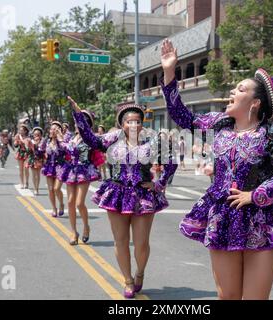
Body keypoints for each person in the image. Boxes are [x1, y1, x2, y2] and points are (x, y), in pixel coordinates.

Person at [160, 39, 273, 300]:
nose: (232, 92)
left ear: (255, 103)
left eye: (239, 89)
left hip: (264, 218)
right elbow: (183, 116)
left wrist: (257, 194)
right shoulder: (220, 125)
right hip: (223, 215)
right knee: (227, 297)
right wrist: (170, 72)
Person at [67, 95, 177, 299]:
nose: (133, 124)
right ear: (122, 123)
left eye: (137, 121)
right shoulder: (112, 139)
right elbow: (91, 139)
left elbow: (172, 160)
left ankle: (140, 272)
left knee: (142, 242)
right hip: (117, 193)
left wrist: (159, 184)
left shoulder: (152, 141)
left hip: (143, 195)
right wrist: (78, 115)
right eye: (129, 121)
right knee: (121, 241)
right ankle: (127, 280)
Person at [59, 112, 101, 245]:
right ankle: (73, 231)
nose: (77, 125)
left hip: (85, 170)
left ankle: (86, 226)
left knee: (79, 203)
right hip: (71, 170)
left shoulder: (90, 138)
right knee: (70, 201)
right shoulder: (72, 137)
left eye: (81, 122)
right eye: (76, 122)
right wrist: (60, 140)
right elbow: (67, 149)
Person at [41, 121, 66, 217]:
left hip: (60, 167)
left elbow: (66, 150)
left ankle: (61, 204)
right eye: (51, 129)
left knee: (56, 188)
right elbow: (39, 150)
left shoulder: (62, 141)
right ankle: (54, 208)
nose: (53, 131)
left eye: (55, 129)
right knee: (51, 189)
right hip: (49, 167)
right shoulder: (46, 141)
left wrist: (60, 139)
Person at [27, 127, 45, 195]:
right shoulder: (31, 141)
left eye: (38, 134)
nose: (36, 136)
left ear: (40, 135)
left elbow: (43, 151)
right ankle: (35, 188)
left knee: (38, 175)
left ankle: (37, 188)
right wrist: (29, 145)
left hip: (39, 159)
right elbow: (28, 151)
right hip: (32, 159)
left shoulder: (43, 142)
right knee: (34, 175)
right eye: (35, 134)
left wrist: (38, 145)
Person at [14, 124, 31, 189]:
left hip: (27, 153)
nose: (20, 131)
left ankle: (27, 182)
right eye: (20, 130)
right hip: (20, 153)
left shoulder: (28, 137)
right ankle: (22, 183)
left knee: (26, 168)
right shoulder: (18, 136)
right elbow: (15, 145)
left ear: (25, 131)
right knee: (21, 169)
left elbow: (29, 146)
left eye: (22, 130)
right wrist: (16, 141)